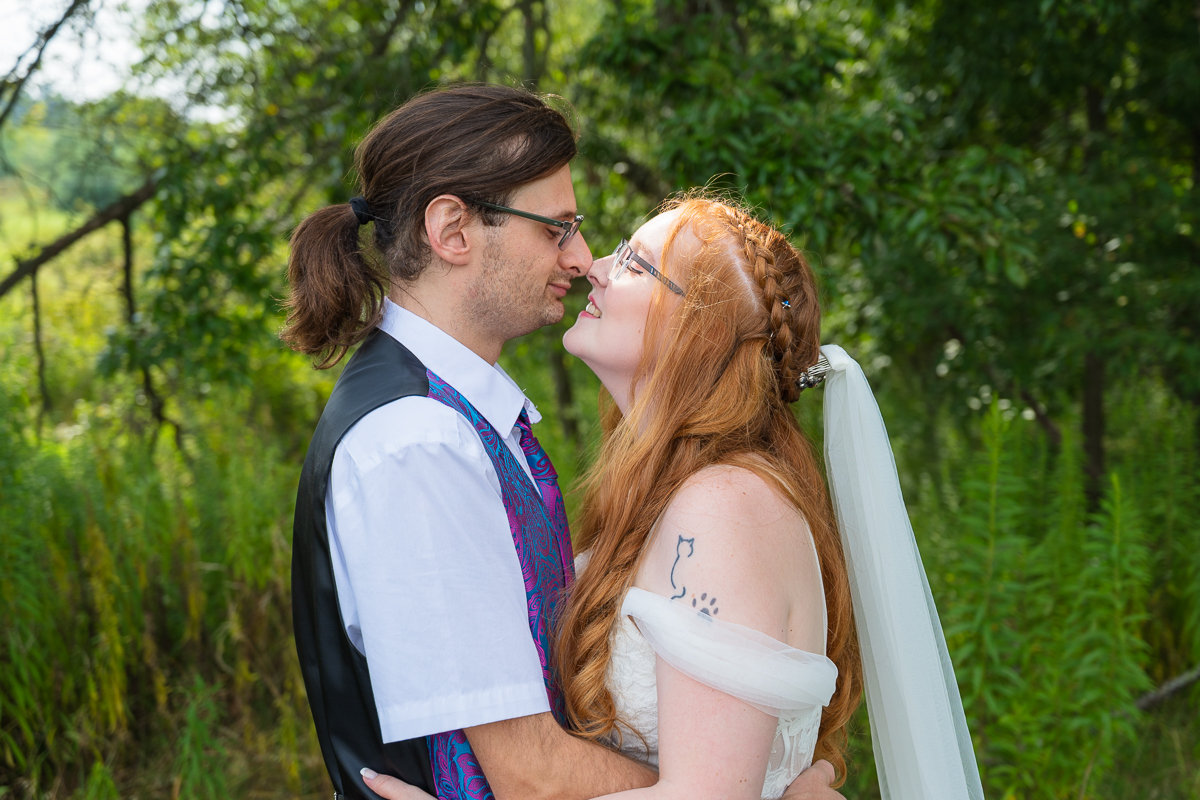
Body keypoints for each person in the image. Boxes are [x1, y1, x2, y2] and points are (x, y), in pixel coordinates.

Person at [283, 85, 844, 800]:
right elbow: (531, 773)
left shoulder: (699, 494)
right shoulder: (419, 440)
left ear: (699, 333)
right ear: (453, 231)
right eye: (557, 229)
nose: (584, 261)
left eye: (627, 259)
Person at [363, 196, 986, 799]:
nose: (594, 269)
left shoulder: (726, 505)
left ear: (700, 332)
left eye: (634, 263)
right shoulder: (669, 496)